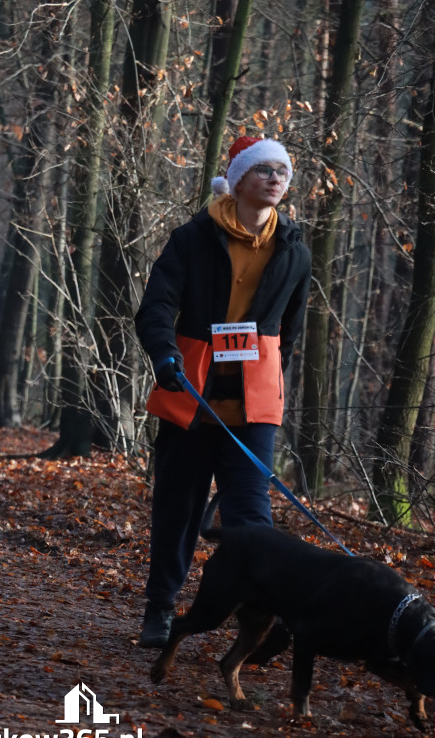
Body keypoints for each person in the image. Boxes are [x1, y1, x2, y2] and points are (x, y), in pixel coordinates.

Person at [135, 135, 312, 648]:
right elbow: (156, 307)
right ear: (238, 181)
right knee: (179, 510)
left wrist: (275, 382)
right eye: (264, 170)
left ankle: (259, 621)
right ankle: (161, 607)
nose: (275, 178)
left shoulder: (295, 251)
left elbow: (289, 334)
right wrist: (164, 353)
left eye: (282, 171)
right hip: (190, 396)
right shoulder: (192, 238)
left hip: (254, 409)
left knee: (252, 519)